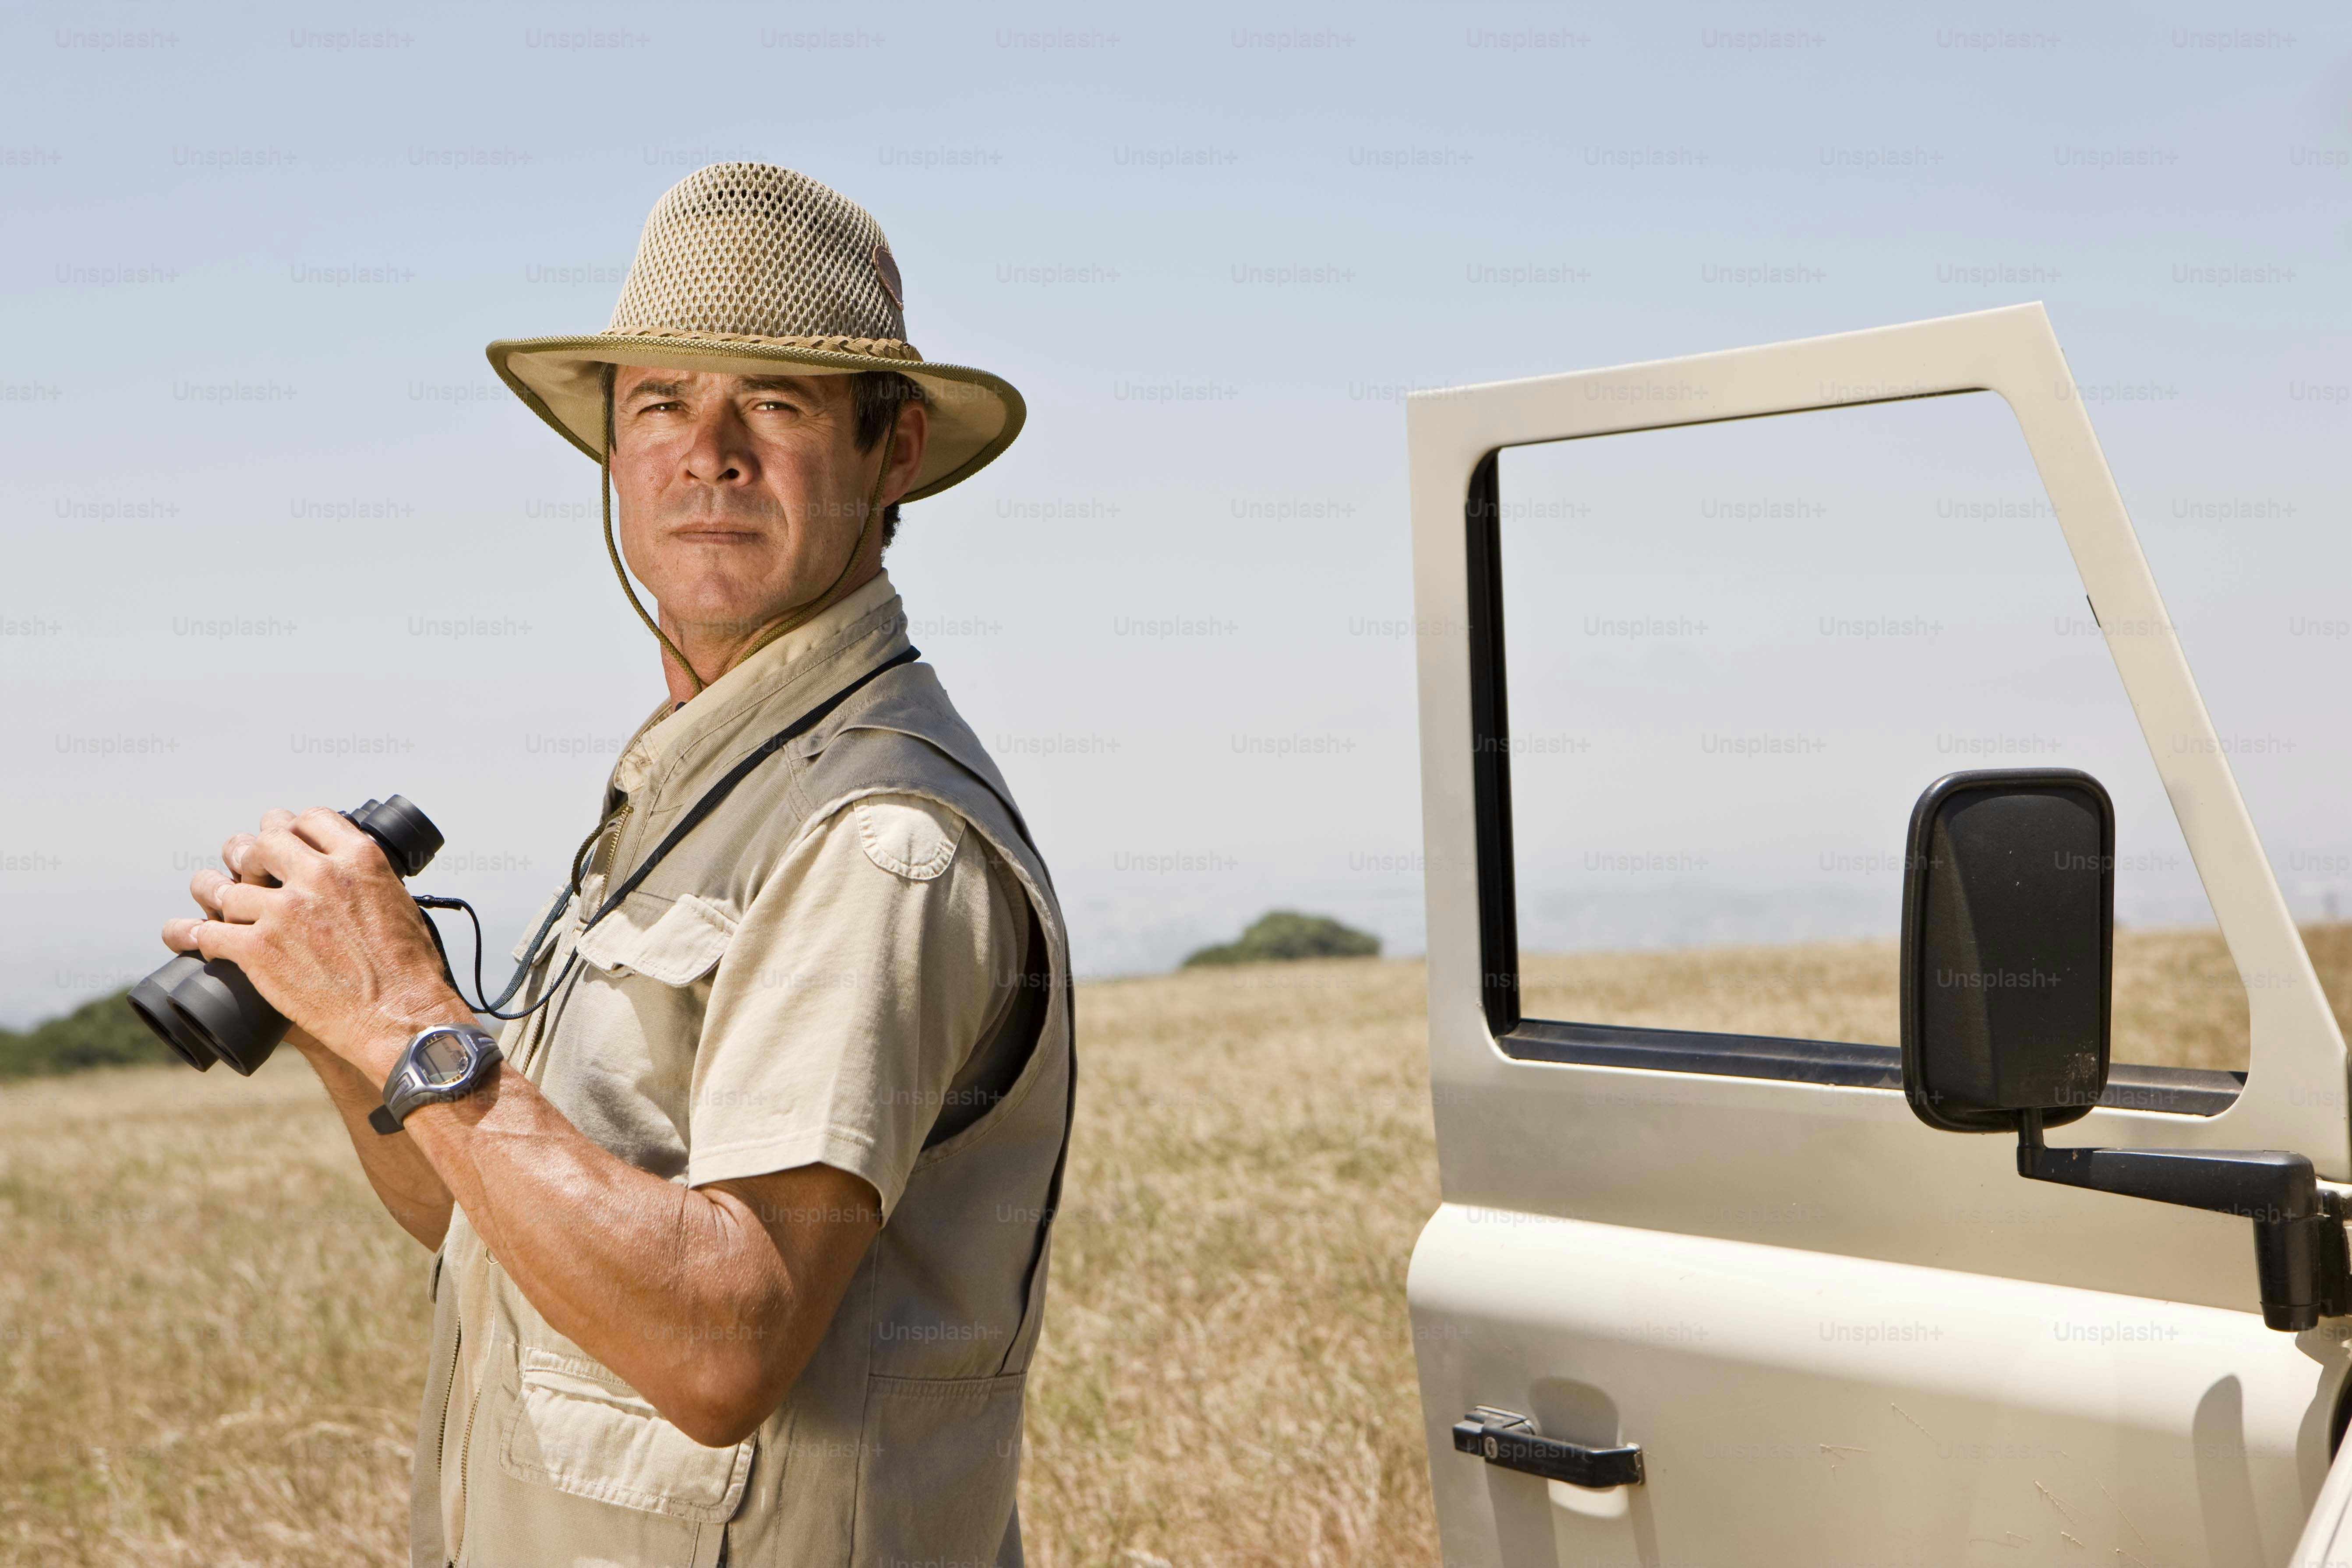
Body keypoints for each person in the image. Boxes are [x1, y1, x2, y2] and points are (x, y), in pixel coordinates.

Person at [160, 162, 1070, 1568]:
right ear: (611, 452)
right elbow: (484, 1217)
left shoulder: (875, 839)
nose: (708, 452)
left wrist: (407, 1012)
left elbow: (722, 1341)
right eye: (660, 403)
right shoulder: (702, 784)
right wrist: (339, 1019)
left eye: (774, 403)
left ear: (892, 452)